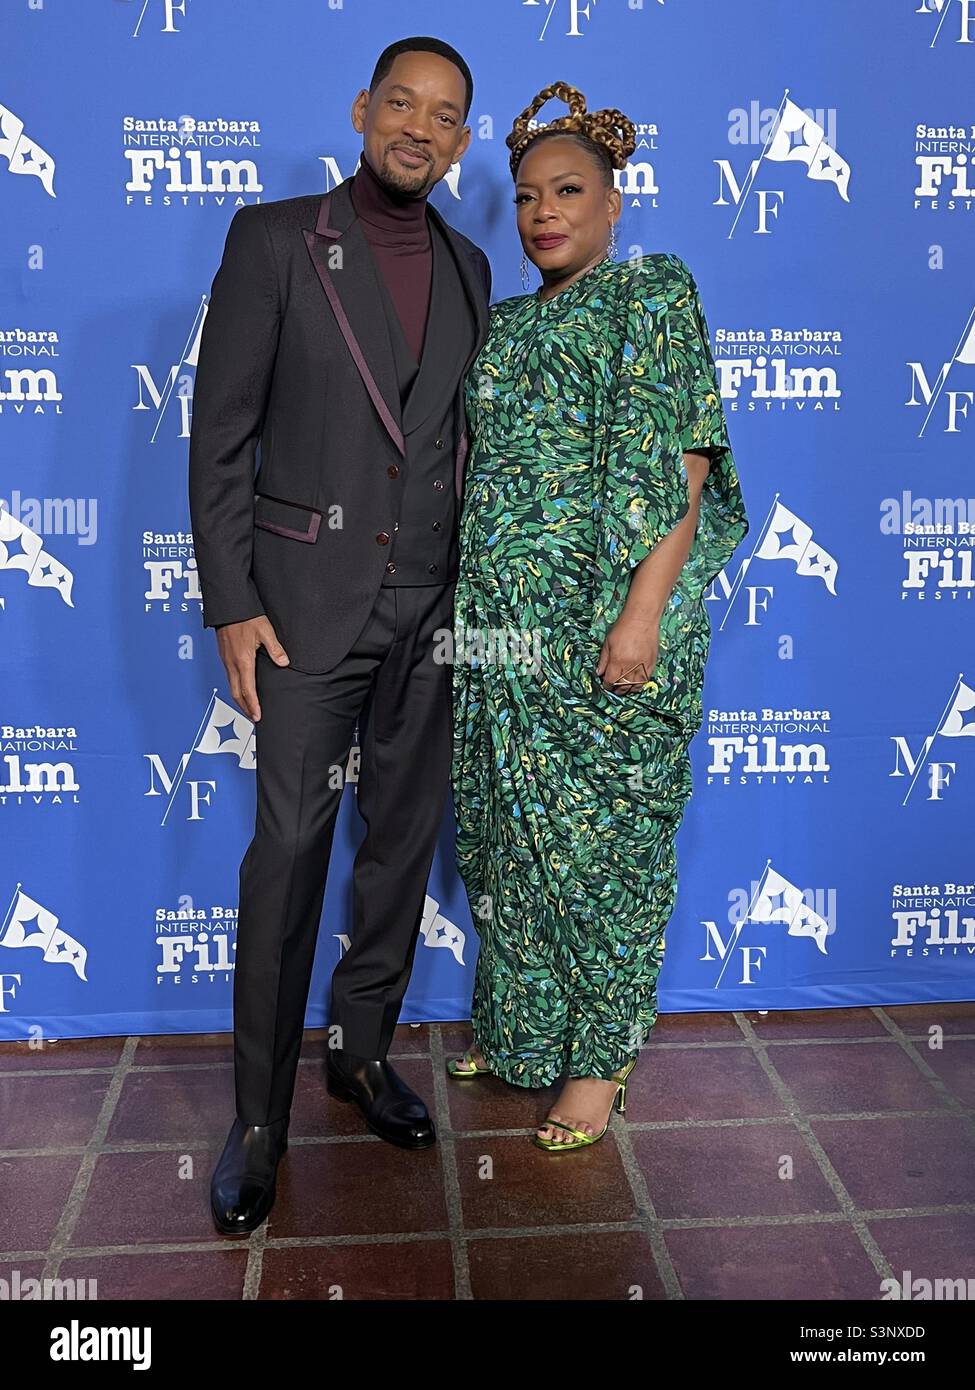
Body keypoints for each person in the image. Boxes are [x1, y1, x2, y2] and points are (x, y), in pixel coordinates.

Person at [188, 36, 491, 1233]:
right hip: (305, 617)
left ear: (463, 140)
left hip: (436, 614)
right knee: (289, 859)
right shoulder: (275, 240)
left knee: (402, 848)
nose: (419, 128)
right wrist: (231, 600)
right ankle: (257, 1121)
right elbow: (220, 438)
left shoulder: (473, 266)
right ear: (363, 110)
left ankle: (360, 1053)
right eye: (401, 104)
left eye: (445, 116)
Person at [446, 83, 749, 1151]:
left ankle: (599, 1058)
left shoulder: (650, 297)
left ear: (616, 203)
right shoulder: (505, 320)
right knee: (505, 837)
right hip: (497, 627)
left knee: (607, 850)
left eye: (569, 191)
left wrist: (644, 613)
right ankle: (526, 1030)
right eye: (528, 195)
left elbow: (686, 462)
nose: (543, 212)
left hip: (605, 621)